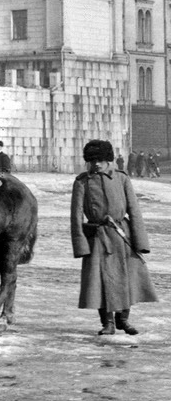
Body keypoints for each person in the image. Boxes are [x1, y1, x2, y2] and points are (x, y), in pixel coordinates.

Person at [72, 139, 158, 336]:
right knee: (100, 281)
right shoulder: (82, 182)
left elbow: (134, 209)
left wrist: (140, 241)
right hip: (98, 237)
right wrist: (80, 245)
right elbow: (76, 215)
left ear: (108, 159)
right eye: (92, 160)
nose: (96, 164)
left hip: (122, 236)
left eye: (100, 160)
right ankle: (107, 323)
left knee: (128, 278)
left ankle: (124, 320)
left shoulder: (122, 178)